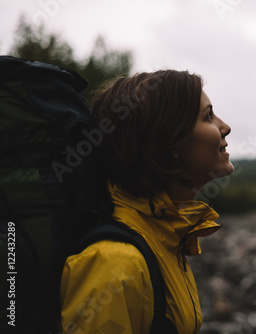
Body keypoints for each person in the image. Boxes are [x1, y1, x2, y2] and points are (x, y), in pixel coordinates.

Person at [59, 70, 234, 334]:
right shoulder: (115, 263)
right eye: (208, 116)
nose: (225, 127)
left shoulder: (167, 236)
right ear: (169, 145)